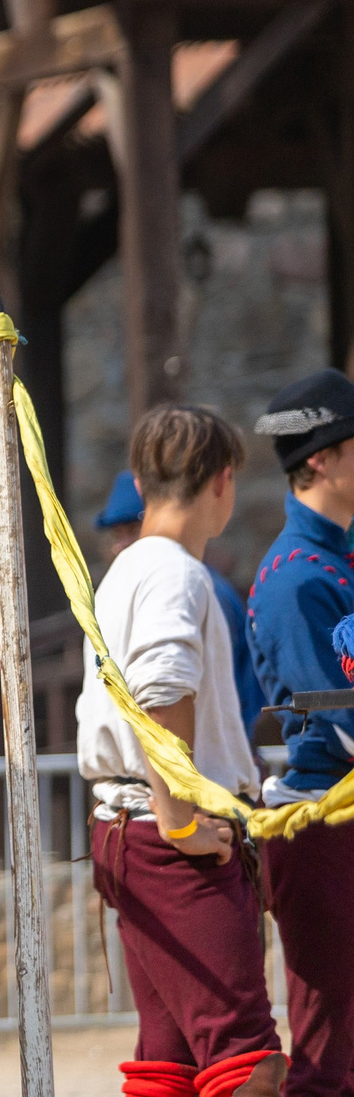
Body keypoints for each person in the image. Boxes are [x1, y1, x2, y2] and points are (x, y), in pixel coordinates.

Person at [77, 405, 282, 1097]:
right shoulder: (176, 573)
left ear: (140, 480)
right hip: (167, 837)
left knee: (169, 1063)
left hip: (128, 829)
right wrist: (183, 819)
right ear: (223, 481)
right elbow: (163, 687)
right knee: (247, 1061)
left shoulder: (124, 570)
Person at [247, 369, 354, 1097]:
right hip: (319, 824)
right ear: (321, 458)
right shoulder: (296, 578)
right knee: (327, 1058)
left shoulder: (334, 562)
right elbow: (338, 720)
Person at [99, 469, 265, 738]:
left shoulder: (180, 582)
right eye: (116, 534)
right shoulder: (126, 585)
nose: (120, 545)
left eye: (131, 530)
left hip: (196, 766)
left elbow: (165, 698)